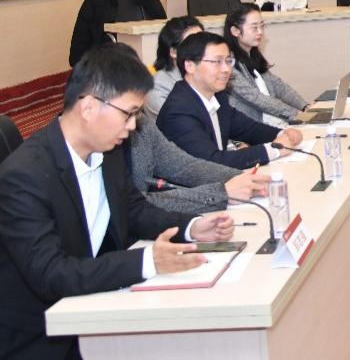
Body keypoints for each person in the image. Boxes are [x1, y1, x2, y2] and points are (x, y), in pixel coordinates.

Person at [0, 45, 234, 358]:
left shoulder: (107, 151)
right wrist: (147, 261)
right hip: (42, 337)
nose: (133, 126)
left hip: (94, 305)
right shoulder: (24, 175)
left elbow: (133, 210)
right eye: (129, 113)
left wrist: (191, 227)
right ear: (88, 108)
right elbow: (51, 274)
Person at [157, 31, 303, 169]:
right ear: (190, 66)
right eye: (217, 62)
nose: (226, 69)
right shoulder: (178, 111)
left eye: (228, 61)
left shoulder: (218, 96)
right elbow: (212, 162)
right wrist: (273, 150)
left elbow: (249, 129)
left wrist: (283, 134)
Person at [131, 114, 270, 213]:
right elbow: (134, 207)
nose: (131, 123)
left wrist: (242, 178)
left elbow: (185, 166)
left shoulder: (141, 122)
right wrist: (221, 193)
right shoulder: (178, 110)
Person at [224, 4, 311, 126]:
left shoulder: (253, 56)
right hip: (258, 129)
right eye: (254, 27)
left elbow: (279, 86)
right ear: (235, 31)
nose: (260, 32)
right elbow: (256, 98)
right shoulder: (228, 65)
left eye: (262, 26)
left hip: (278, 123)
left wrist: (305, 106)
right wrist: (298, 115)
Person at [147, 15, 203, 119]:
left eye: (203, 42)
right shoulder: (158, 88)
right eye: (193, 43)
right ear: (173, 52)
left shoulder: (213, 72)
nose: (203, 49)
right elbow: (186, 123)